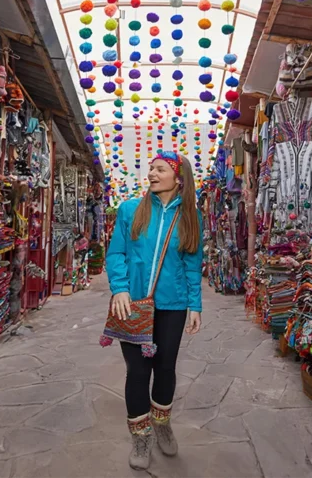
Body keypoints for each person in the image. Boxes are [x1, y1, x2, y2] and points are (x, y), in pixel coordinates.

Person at [105, 150, 203, 470]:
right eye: (150, 169)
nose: (151, 173)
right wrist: (119, 287)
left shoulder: (190, 216)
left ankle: (161, 422)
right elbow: (116, 253)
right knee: (138, 372)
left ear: (178, 177)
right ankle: (141, 436)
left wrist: (195, 305)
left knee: (165, 369)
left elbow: (192, 263)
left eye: (160, 169)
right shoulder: (130, 209)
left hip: (172, 306)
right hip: (132, 303)